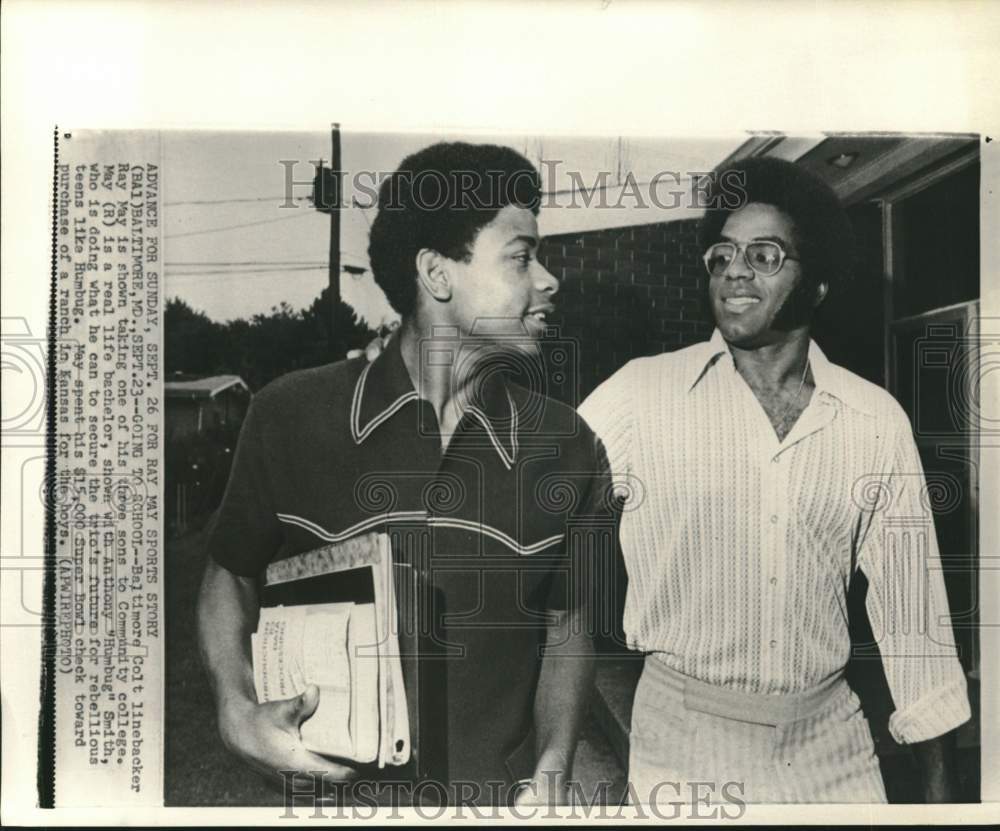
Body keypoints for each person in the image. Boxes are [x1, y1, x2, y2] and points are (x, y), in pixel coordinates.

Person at [197, 141, 613, 807]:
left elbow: (569, 623)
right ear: (437, 274)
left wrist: (555, 763)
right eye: (521, 256)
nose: (548, 279)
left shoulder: (570, 447)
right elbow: (230, 570)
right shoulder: (290, 416)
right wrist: (234, 705)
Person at [579, 157, 971, 803]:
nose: (735, 270)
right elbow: (529, 513)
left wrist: (942, 807)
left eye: (764, 255)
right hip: (684, 743)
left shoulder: (873, 419)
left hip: (831, 742)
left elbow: (915, 621)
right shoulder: (640, 395)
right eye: (722, 255)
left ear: (816, 284)